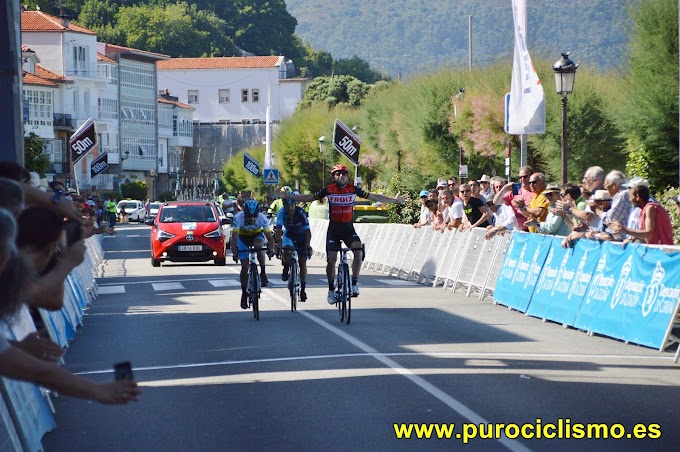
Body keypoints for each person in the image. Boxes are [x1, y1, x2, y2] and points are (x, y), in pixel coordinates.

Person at [0, 208, 140, 405]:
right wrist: (65, 262)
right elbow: (48, 298)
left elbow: (50, 303)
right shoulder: (15, 274)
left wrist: (17, 347)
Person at [281, 164, 408, 304]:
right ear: (333, 177)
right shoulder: (329, 190)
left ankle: (353, 284)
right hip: (334, 229)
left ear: (347, 176)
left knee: (358, 249)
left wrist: (394, 200)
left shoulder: (353, 189)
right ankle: (330, 290)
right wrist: (290, 197)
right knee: (332, 260)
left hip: (348, 228)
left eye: (343, 173)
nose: (340, 176)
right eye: (337, 174)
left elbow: (373, 196)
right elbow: (310, 197)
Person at [230, 199, 275, 309]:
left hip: (256, 235)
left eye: (254, 216)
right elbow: (234, 238)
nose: (252, 219)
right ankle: (244, 293)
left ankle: (263, 272)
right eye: (249, 217)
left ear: (258, 214)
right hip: (242, 237)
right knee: (245, 266)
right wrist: (234, 252)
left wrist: (271, 249)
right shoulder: (238, 218)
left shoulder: (262, 218)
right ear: (244, 214)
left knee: (259, 247)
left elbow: (269, 238)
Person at [275, 193, 312, 302]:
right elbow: (278, 229)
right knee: (286, 250)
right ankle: (286, 267)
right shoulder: (281, 212)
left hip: (301, 236)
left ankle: (303, 289)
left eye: (292, 206)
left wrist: (308, 245)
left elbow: (307, 231)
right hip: (289, 234)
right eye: (287, 206)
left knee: (302, 263)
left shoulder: (300, 212)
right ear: (284, 205)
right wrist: (278, 243)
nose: (290, 208)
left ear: (295, 204)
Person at [609, 184, 674, 245]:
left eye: (630, 197)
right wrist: (631, 239)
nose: (629, 200)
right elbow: (645, 235)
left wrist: (626, 230)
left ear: (637, 197)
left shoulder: (650, 208)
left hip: (662, 251)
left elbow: (648, 234)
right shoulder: (643, 209)